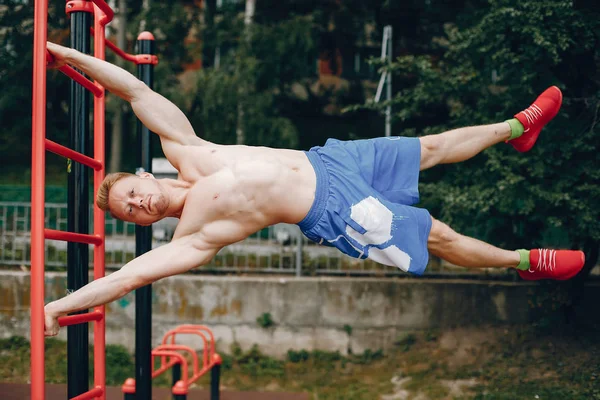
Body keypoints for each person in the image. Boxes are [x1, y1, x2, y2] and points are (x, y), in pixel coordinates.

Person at [43, 42, 585, 336]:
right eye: (131, 213)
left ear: (142, 175)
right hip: (333, 210)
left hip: (331, 159)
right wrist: (57, 308)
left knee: (431, 146)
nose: (138, 203)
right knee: (438, 236)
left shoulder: (185, 148)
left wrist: (67, 55)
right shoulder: (193, 236)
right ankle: (522, 260)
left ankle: (519, 126)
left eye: (131, 193)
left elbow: (135, 90)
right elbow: (126, 278)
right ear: (142, 223)